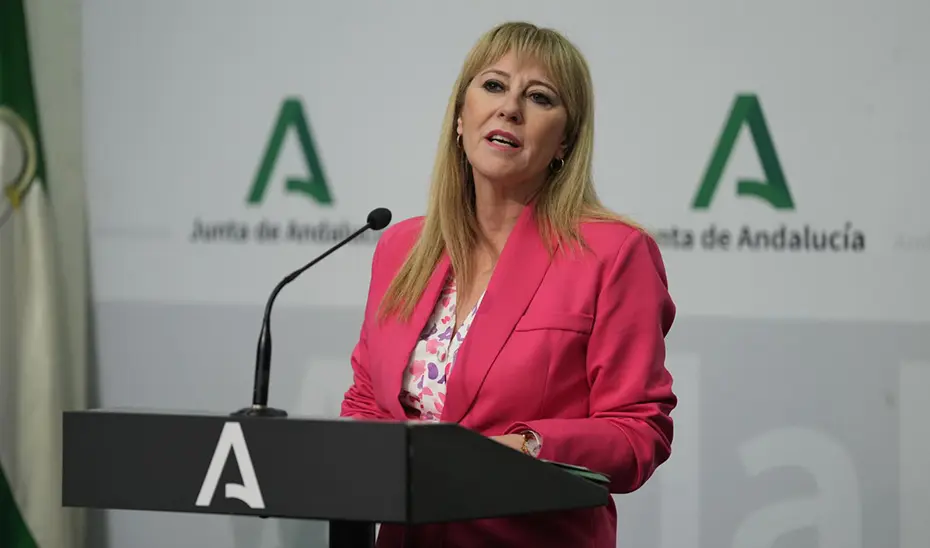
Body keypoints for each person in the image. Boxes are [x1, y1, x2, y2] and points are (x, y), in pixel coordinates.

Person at [340, 20, 677, 548]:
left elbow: (637, 431)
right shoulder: (401, 247)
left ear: (564, 141)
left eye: (539, 97)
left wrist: (523, 449)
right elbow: (365, 401)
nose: (510, 108)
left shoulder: (612, 254)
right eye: (494, 85)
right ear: (460, 116)